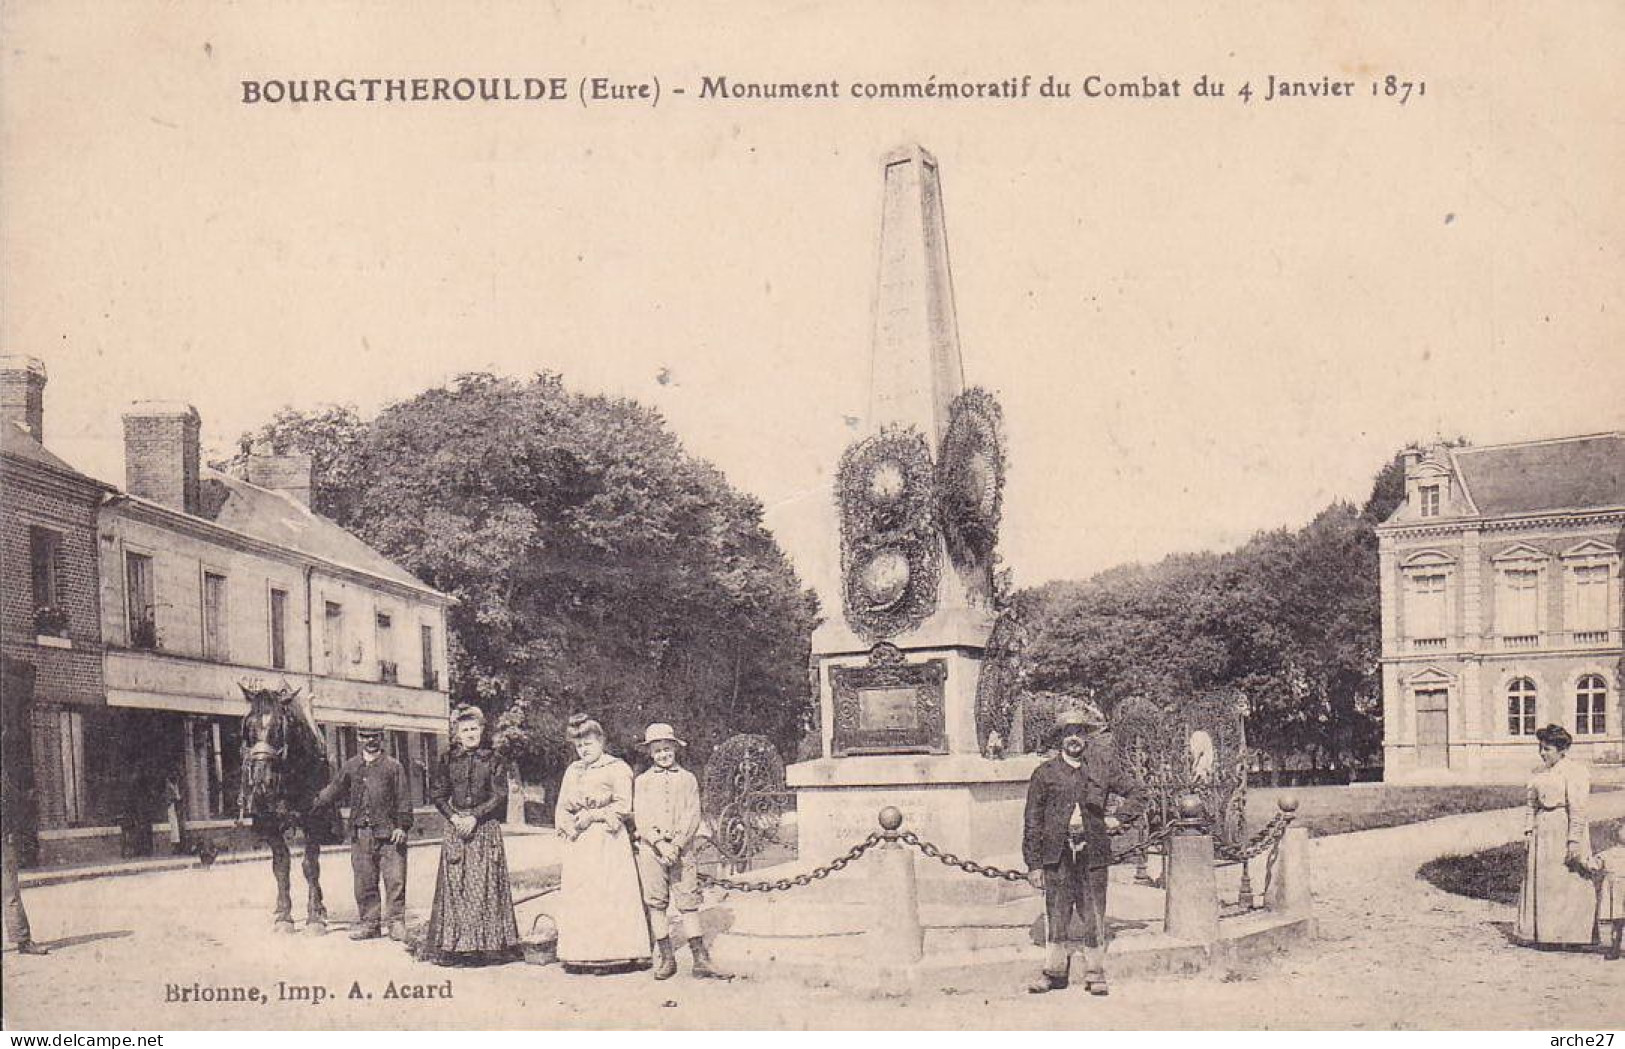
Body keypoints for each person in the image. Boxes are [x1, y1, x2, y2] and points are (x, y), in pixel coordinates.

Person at [1022, 703, 1145, 995]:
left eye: (1079, 732)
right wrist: (1034, 864)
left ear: (1086, 737)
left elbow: (1138, 793)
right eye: (1068, 733)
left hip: (1093, 852)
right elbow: (1032, 820)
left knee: (1093, 911)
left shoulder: (1102, 768)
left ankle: (1095, 971)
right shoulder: (1045, 773)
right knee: (1057, 911)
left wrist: (1118, 818)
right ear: (1060, 739)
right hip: (1057, 853)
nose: (1074, 738)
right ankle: (1053, 972)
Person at [421, 706, 522, 965]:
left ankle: (486, 947)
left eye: (473, 728)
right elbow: (438, 794)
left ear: (481, 730)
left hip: (484, 828)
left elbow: (499, 796)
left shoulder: (494, 759)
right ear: (457, 733)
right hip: (456, 828)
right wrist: (455, 818)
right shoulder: (447, 760)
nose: (469, 734)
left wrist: (474, 816)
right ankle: (457, 947)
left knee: (484, 888)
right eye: (464, 729)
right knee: (456, 888)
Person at [553, 714, 651, 973]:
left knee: (609, 893)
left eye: (589, 744)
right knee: (583, 895)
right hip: (580, 842)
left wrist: (593, 815)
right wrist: (568, 826)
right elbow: (562, 805)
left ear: (601, 742)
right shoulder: (573, 771)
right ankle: (582, 954)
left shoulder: (617, 768)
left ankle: (615, 954)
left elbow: (623, 805)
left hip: (608, 840)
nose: (584, 750)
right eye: (579, 745)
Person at [632, 722, 726, 980]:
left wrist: (677, 844)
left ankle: (700, 959)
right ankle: (666, 957)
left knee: (688, 902)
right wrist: (659, 843)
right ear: (649, 753)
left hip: (682, 851)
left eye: (667, 749)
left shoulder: (687, 779)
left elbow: (691, 813)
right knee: (657, 903)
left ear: (675, 748)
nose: (663, 754)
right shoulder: (642, 782)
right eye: (657, 750)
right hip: (652, 851)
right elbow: (641, 815)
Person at [313, 726, 414, 942]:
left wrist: (402, 827)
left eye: (374, 737)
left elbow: (404, 798)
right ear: (359, 739)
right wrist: (313, 803)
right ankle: (370, 924)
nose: (370, 741)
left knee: (395, 879)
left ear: (381, 738)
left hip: (389, 835)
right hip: (361, 834)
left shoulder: (393, 766)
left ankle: (396, 922)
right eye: (365, 737)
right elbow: (333, 790)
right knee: (364, 880)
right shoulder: (351, 766)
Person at [1514, 724, 1596, 947]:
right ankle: (1543, 933)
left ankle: (1571, 935)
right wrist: (1529, 831)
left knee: (1566, 880)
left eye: (1547, 749)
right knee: (1544, 881)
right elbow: (1531, 805)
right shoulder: (1538, 775)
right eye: (1540, 748)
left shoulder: (1575, 772)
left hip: (1563, 827)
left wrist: (1574, 840)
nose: (1542, 753)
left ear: (1562, 750)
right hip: (1543, 831)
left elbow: (1578, 808)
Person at [1592, 821, 1625, 961]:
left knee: (1617, 920)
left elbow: (1592, 865)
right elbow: (1593, 865)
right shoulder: (1607, 854)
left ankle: (1615, 949)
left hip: (1617, 888)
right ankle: (1615, 948)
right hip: (1615, 890)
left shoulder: (1607, 854)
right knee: (1617, 921)